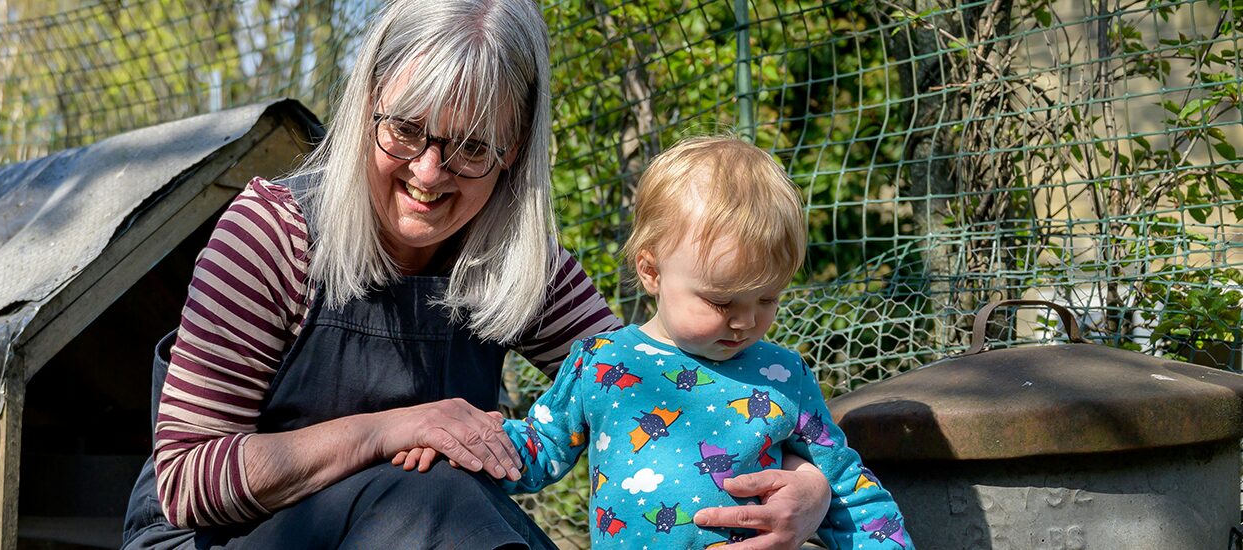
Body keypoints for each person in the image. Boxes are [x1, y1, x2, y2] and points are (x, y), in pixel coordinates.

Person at [121, 1, 835, 548]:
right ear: (366, 100)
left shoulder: (523, 265)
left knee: (450, 499)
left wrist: (811, 488)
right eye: (404, 129)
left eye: (469, 147)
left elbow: (665, 384)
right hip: (222, 538)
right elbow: (189, 481)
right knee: (434, 495)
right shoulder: (270, 234)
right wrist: (392, 428)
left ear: (515, 146)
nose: (428, 174)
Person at [399, 136, 908, 548]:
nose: (745, 322)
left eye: (767, 300)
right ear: (651, 272)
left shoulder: (782, 375)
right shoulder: (602, 363)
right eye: (722, 301)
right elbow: (538, 449)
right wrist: (462, 448)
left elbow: (849, 490)